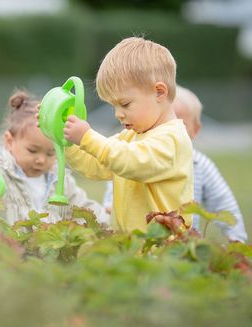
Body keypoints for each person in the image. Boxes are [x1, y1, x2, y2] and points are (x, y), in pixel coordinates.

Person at [61, 36, 194, 233]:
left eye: (124, 104)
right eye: (113, 106)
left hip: (161, 250)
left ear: (159, 93)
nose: (118, 114)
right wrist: (68, 139)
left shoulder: (172, 139)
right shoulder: (132, 137)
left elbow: (131, 162)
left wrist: (87, 137)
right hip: (131, 246)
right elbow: (95, 164)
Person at [101, 86, 248, 242]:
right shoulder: (135, 156)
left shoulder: (200, 164)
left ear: (195, 130)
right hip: (138, 239)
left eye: (180, 124)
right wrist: (111, 206)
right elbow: (116, 186)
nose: (169, 130)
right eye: (161, 124)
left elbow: (225, 204)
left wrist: (236, 240)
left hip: (181, 245)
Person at [0, 90, 109, 226]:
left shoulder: (60, 180)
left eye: (50, 153)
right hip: (4, 249)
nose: (41, 160)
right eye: (32, 151)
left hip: (44, 250)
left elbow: (83, 206)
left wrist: (104, 222)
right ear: (9, 141)